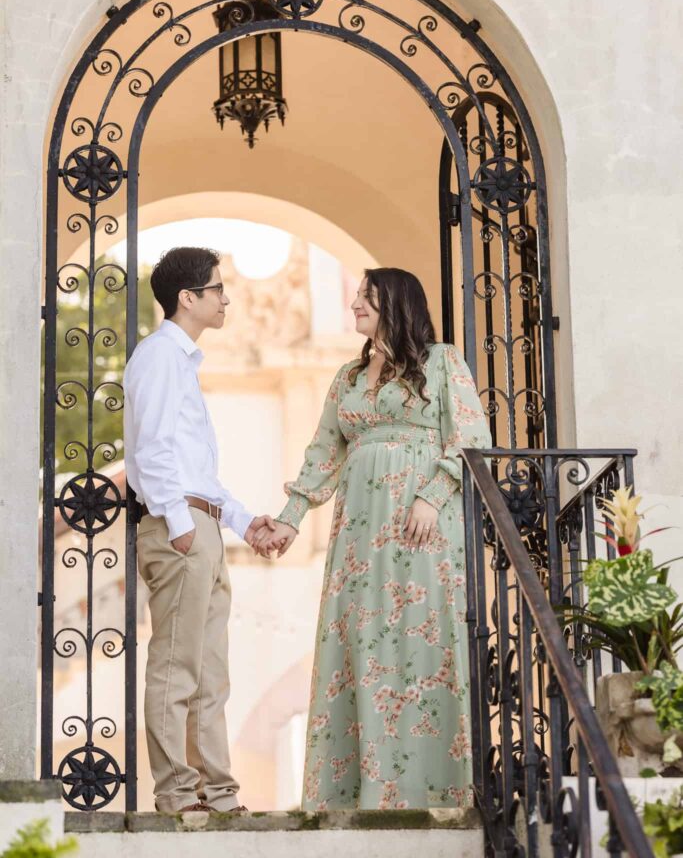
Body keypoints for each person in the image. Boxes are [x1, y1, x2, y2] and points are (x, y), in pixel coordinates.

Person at [254, 268, 491, 810]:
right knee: (361, 642)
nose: (355, 304)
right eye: (356, 295)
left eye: (365, 297)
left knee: (422, 640)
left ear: (396, 303)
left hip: (422, 525)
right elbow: (323, 453)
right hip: (359, 534)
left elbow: (473, 437)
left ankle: (433, 789)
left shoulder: (442, 362)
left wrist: (434, 495)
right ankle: (360, 791)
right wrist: (291, 518)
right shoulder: (347, 377)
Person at [123, 246, 276, 813]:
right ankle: (177, 793)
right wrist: (180, 523)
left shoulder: (181, 361)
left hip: (201, 526)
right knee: (175, 667)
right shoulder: (160, 357)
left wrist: (239, 519)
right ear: (187, 298)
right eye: (216, 289)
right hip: (178, 529)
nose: (225, 299)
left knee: (211, 672)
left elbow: (198, 472)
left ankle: (217, 790)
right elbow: (154, 450)